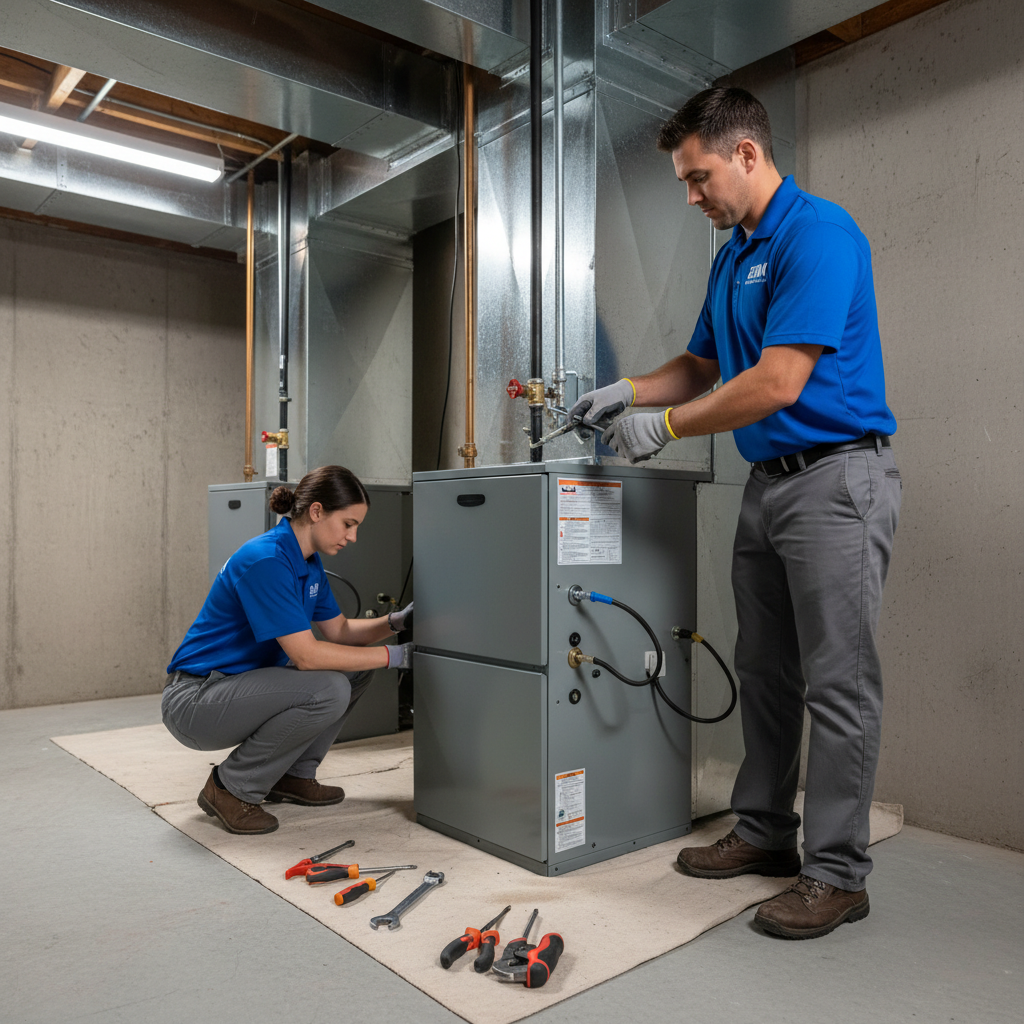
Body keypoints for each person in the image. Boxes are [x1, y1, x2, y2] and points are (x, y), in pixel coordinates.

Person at [570, 88, 901, 940]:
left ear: (747, 153)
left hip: (836, 482)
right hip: (768, 486)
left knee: (839, 685)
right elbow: (701, 362)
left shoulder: (819, 234)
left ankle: (837, 873)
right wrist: (627, 393)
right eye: (684, 181)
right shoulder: (734, 255)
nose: (692, 197)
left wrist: (667, 426)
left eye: (698, 176)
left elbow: (779, 380)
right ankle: (763, 831)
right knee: (765, 670)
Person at [163, 465, 413, 836]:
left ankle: (292, 776)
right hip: (196, 701)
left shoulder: (308, 564)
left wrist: (396, 622)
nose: (353, 536)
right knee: (329, 687)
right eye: (348, 523)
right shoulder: (266, 560)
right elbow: (307, 656)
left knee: (355, 670)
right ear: (316, 512)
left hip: (236, 688)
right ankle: (230, 788)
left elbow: (341, 631)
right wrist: (400, 657)